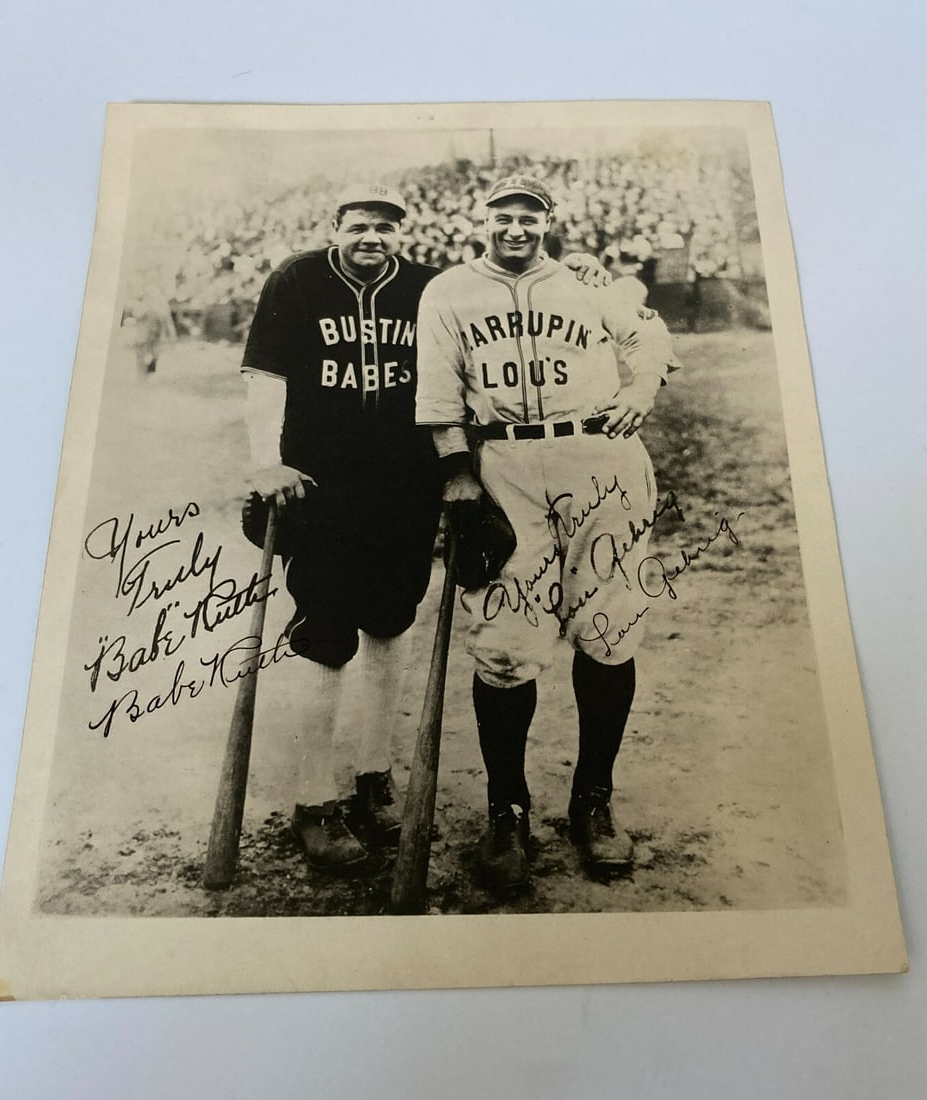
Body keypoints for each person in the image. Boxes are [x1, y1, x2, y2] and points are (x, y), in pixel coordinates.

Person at [240, 183, 611, 875]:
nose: (371, 238)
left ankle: (371, 776)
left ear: (400, 232)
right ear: (337, 226)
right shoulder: (296, 279)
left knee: (390, 624)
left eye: (384, 227)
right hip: (323, 482)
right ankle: (314, 799)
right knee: (325, 635)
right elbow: (265, 376)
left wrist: (582, 270)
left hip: (404, 485)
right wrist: (267, 461)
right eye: (359, 226)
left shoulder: (425, 287)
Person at [415, 175, 681, 893]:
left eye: (529, 215)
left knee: (609, 626)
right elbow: (439, 398)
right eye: (503, 214)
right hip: (505, 465)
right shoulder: (446, 291)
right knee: (504, 640)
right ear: (484, 219)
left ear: (548, 221)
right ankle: (508, 810)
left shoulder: (593, 281)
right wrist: (457, 474)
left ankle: (593, 799)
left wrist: (638, 391)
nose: (516, 227)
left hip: (601, 461)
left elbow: (650, 339)